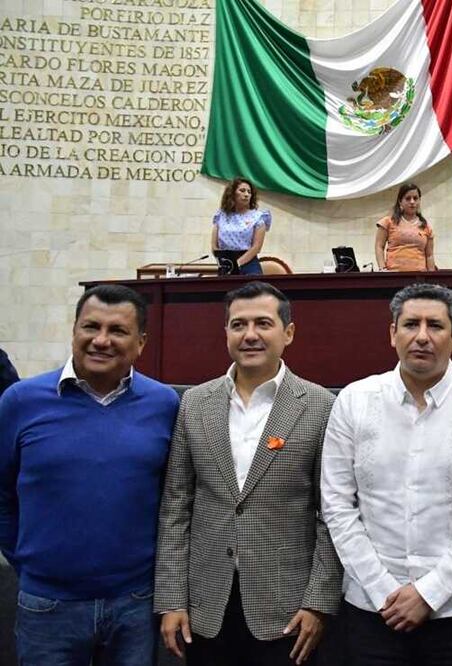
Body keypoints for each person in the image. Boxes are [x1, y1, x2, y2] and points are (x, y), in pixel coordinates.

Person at [321, 283, 452, 665]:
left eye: (436, 326)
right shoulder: (355, 400)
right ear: (392, 333)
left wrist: (429, 593)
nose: (422, 337)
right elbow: (337, 505)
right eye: (411, 324)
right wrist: (383, 591)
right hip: (373, 608)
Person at [155, 281, 342, 666]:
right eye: (238, 324)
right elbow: (176, 507)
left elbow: (331, 516)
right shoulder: (194, 403)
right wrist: (172, 598)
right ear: (226, 332)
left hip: (288, 611)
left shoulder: (321, 406)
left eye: (263, 323)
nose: (250, 335)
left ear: (288, 332)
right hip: (205, 606)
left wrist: (319, 602)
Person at [0, 284, 179, 665]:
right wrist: (31, 561)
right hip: (47, 604)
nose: (101, 340)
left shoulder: (165, 404)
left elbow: (173, 497)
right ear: (74, 331)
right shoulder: (20, 401)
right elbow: (2, 493)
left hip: (134, 603)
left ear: (141, 342)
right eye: (90, 327)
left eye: (117, 331)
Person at [213, 177, 271, 275]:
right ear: (232, 193)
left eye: (249, 192)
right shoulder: (221, 215)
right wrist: (225, 263)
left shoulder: (258, 217)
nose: (246, 194)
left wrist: (237, 264)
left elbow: (256, 247)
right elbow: (214, 246)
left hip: (249, 264)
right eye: (242, 191)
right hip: (226, 263)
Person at [375, 182, 435, 272]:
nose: (412, 202)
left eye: (415, 198)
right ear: (400, 201)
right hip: (394, 276)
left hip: (420, 278)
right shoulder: (388, 222)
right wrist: (382, 269)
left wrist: (431, 277)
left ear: (419, 200)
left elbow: (429, 255)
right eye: (408, 198)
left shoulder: (426, 226)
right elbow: (379, 246)